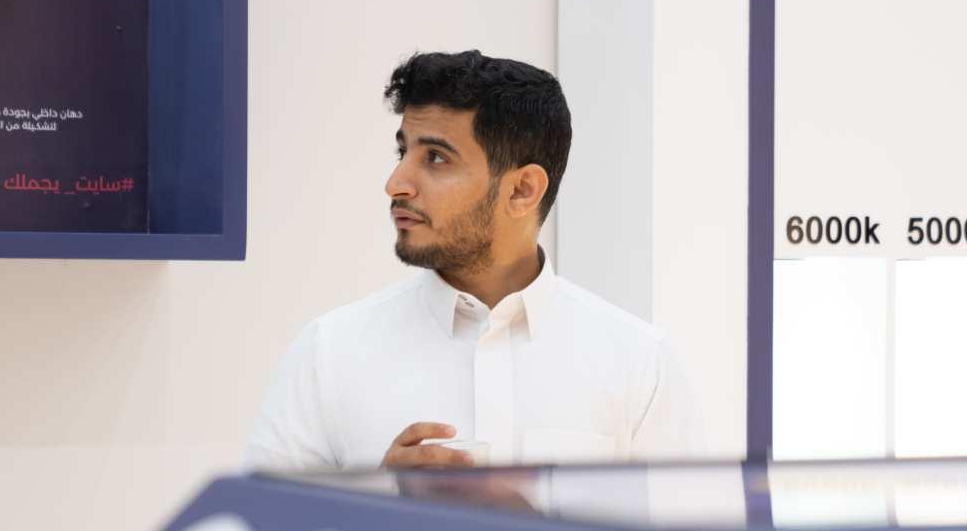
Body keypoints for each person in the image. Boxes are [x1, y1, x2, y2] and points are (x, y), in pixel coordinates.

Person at [245, 50, 699, 470]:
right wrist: (379, 502)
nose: (396, 183)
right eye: (403, 151)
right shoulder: (328, 353)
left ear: (522, 190)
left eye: (435, 158)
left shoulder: (639, 364)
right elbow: (257, 529)